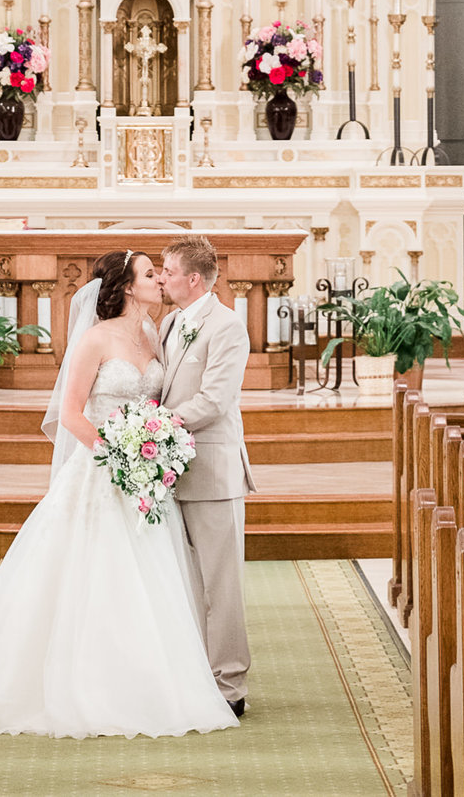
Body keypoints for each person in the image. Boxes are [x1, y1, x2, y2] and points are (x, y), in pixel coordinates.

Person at [0, 249, 236, 738]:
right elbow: (72, 414)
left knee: (148, 579)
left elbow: (159, 400)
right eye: (149, 274)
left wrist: (146, 453)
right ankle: (80, 682)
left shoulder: (154, 334)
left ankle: (145, 679)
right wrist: (118, 454)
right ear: (124, 286)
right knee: (92, 575)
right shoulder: (95, 339)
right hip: (103, 472)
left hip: (143, 478)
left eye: (160, 273)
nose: (159, 280)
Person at [155, 236, 255, 715]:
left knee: (221, 585)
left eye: (168, 270)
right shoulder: (172, 321)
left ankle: (231, 687)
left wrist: (155, 426)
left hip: (212, 471)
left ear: (194, 279)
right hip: (172, 467)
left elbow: (214, 400)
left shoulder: (228, 327)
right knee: (186, 582)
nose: (161, 277)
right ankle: (196, 675)